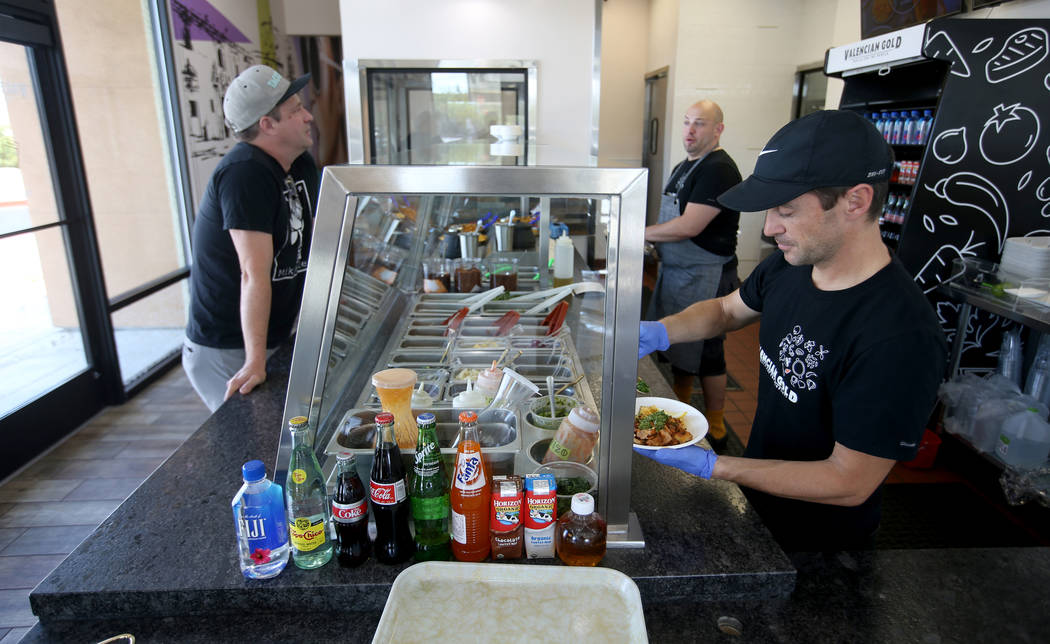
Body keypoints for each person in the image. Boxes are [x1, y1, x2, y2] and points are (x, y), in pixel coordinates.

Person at [636, 110, 947, 551]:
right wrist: (658, 332)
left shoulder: (899, 337)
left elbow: (848, 480)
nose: (768, 228)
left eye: (786, 211)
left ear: (855, 202)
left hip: (821, 543)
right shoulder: (790, 264)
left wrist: (716, 467)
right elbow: (727, 311)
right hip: (761, 502)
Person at [183, 65, 318, 412]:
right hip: (231, 346)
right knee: (254, 450)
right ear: (267, 124)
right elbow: (252, 273)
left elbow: (318, 243)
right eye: (295, 111)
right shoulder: (244, 174)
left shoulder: (299, 164)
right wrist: (254, 359)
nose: (308, 117)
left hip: (275, 333)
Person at [644, 100, 741, 447]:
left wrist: (639, 233)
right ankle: (682, 406)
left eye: (699, 123)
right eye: (686, 122)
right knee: (680, 344)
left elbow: (689, 225)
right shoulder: (685, 167)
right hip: (679, 271)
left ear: (718, 129)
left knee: (709, 352)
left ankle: (716, 428)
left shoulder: (718, 169)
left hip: (706, 275)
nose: (689, 130)